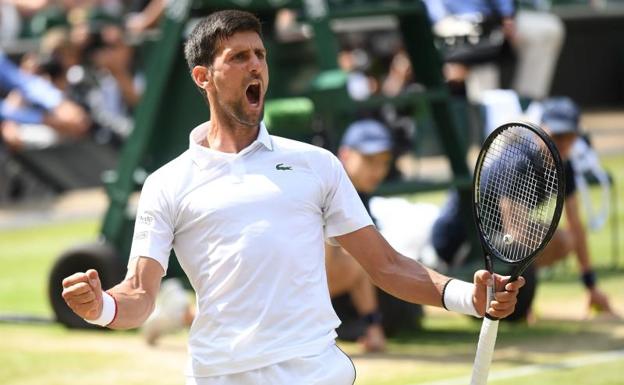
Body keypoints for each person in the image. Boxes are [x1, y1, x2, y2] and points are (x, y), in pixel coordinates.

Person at [60, 10, 524, 385]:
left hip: (313, 371)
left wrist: (468, 295)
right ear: (203, 76)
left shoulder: (316, 165)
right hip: (217, 375)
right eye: (238, 57)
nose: (256, 65)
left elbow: (387, 266)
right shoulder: (166, 184)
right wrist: (100, 307)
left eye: (259, 55)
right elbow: (140, 294)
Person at [433, 96, 617, 321]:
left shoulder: (564, 166)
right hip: (457, 242)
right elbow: (516, 234)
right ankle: (516, 300)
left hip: (495, 240)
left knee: (565, 240)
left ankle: (516, 299)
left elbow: (576, 226)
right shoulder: (519, 161)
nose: (564, 143)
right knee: (543, 241)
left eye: (570, 137)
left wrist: (591, 286)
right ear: (543, 129)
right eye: (558, 136)